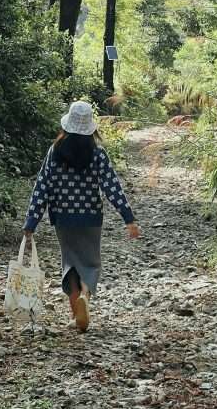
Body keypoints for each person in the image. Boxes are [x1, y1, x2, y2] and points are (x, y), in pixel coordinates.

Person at [23, 100, 140, 332]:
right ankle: (85, 297)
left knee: (70, 264)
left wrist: (31, 222)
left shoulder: (55, 152)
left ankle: (77, 315)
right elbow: (112, 187)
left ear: (67, 125)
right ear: (90, 128)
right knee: (89, 262)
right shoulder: (98, 153)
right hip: (90, 218)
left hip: (64, 218)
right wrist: (129, 218)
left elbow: (42, 187)